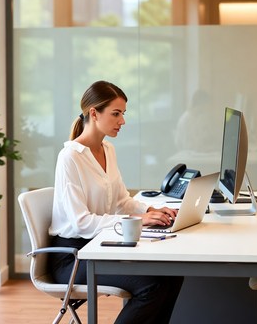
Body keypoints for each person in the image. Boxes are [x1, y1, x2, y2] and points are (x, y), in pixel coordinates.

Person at [49, 80, 184, 324]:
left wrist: (151, 210)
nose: (122, 121)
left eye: (123, 114)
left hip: (100, 246)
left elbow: (122, 200)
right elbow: (81, 223)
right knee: (153, 285)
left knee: (173, 275)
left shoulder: (107, 149)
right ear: (94, 113)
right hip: (73, 257)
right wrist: (136, 220)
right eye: (116, 113)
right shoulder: (70, 157)